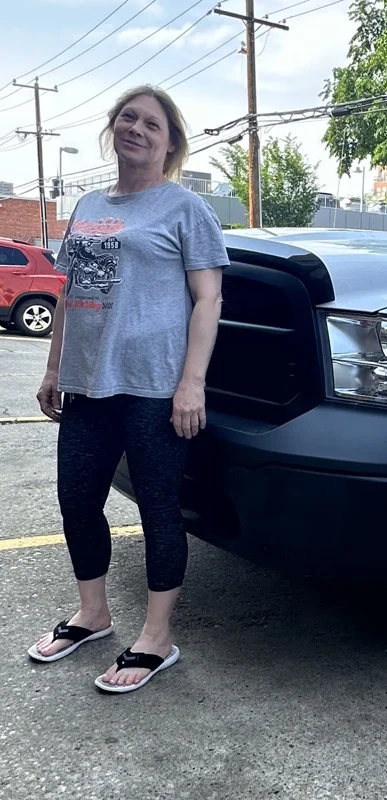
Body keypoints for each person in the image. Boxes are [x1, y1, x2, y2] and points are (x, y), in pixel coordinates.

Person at [27, 85, 230, 693]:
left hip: (153, 385)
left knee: (158, 510)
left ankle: (157, 639)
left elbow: (208, 299)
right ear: (113, 127)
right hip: (89, 384)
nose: (136, 128)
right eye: (128, 117)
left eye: (152, 124)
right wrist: (54, 368)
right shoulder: (88, 204)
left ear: (170, 144)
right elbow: (69, 289)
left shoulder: (184, 208)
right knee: (76, 500)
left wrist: (191, 383)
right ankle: (93, 614)